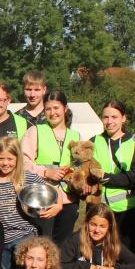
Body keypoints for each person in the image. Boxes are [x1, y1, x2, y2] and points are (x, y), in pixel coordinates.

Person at [0, 135, 56, 269]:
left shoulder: (26, 177)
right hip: (2, 236)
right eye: (1, 158)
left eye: (10, 159)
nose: (5, 163)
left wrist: (58, 206)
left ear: (17, 159)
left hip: (24, 234)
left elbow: (53, 191)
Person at [21, 90, 81, 243]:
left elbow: (79, 166)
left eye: (56, 108)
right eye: (48, 109)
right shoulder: (35, 131)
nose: (52, 113)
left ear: (65, 108)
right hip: (43, 198)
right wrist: (46, 172)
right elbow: (24, 162)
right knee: (43, 244)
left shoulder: (76, 136)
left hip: (68, 200)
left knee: (62, 247)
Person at [92, 100, 135, 254]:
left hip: (128, 211)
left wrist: (107, 178)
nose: (109, 122)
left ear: (123, 118)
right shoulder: (94, 141)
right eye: (106, 117)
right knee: (101, 254)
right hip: (100, 210)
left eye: (114, 117)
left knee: (128, 255)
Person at [57, 203, 135, 269]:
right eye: (93, 225)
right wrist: (87, 267)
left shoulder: (113, 244)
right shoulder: (74, 239)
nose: (97, 230)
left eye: (102, 226)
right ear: (87, 223)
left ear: (109, 228)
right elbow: (57, 268)